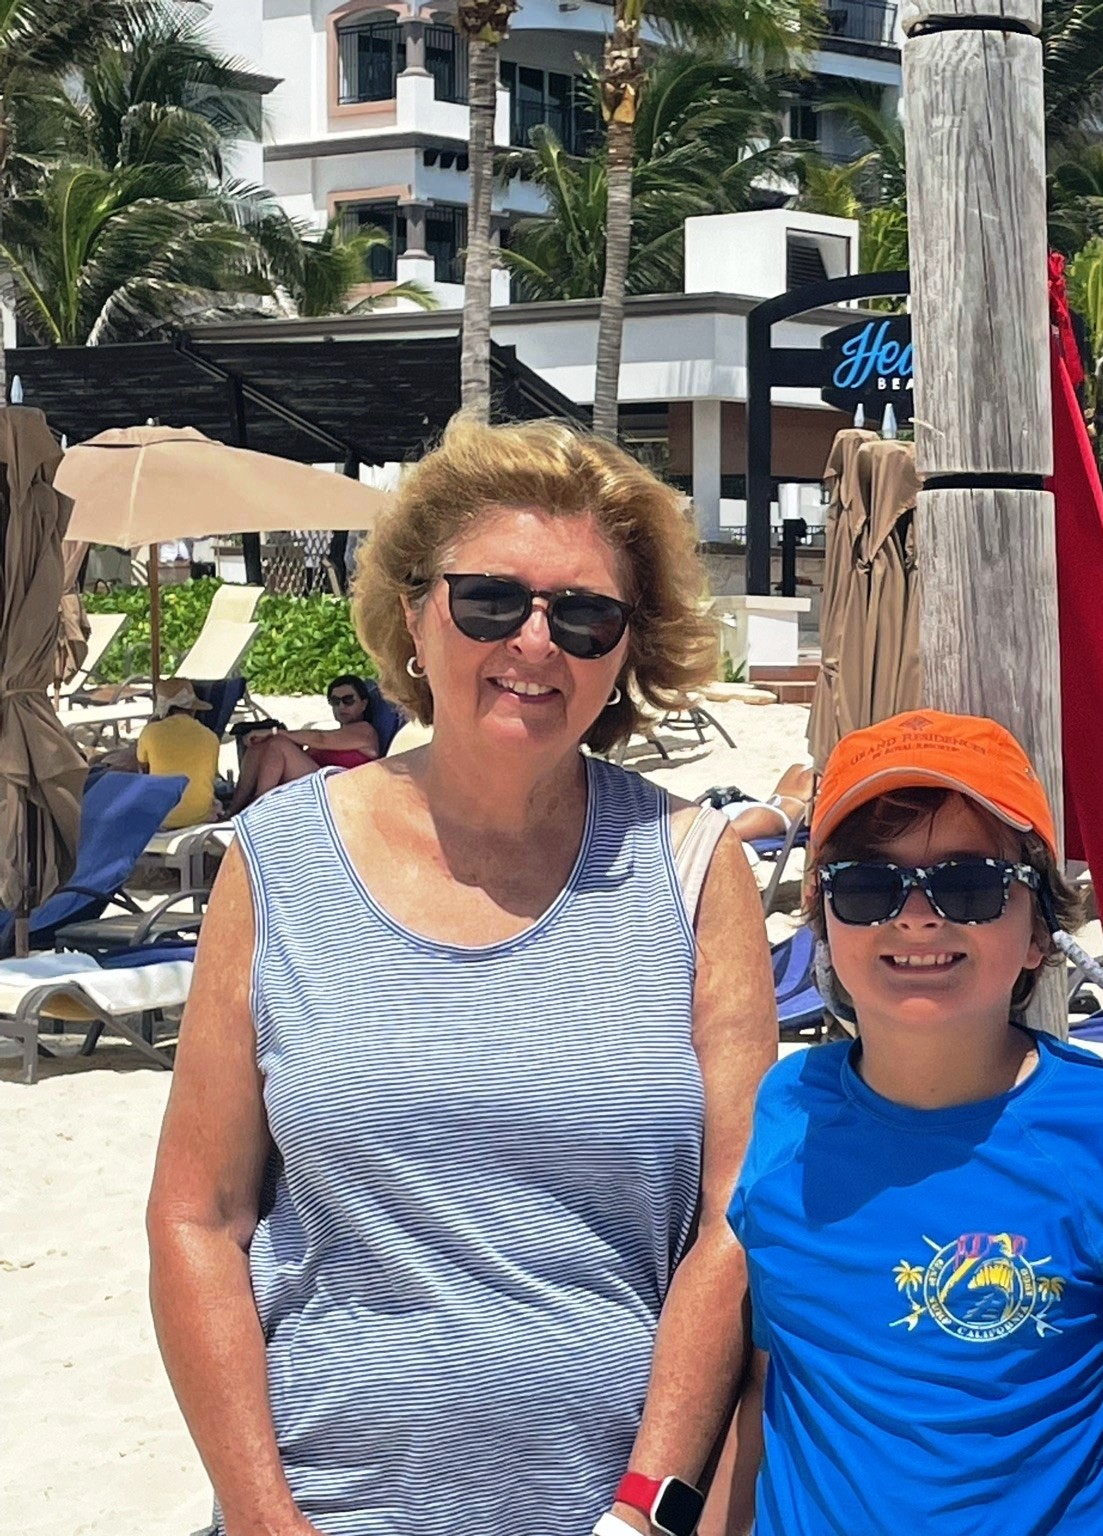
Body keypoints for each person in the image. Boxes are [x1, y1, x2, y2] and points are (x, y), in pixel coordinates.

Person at [146, 415, 777, 1536]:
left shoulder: (693, 868)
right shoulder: (279, 858)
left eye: (583, 615)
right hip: (324, 1504)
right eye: (490, 600)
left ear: (625, 649)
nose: (536, 642)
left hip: (609, 1515)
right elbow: (199, 1215)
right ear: (413, 614)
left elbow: (735, 1222)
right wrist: (262, 1517)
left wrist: (644, 1511)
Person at [727, 710, 1103, 1533]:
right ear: (824, 922)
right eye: (867, 885)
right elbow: (767, 1386)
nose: (917, 916)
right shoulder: (782, 1111)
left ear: (1040, 932)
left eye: (969, 884)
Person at [221, 674, 382, 815]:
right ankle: (234, 808)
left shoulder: (365, 731)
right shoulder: (338, 733)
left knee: (278, 743)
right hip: (317, 784)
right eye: (335, 701)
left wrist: (274, 732)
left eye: (348, 700)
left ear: (363, 704)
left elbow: (321, 739)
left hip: (338, 791)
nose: (341, 707)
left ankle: (259, 807)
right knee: (261, 744)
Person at [127, 678, 221, 830]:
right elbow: (211, 774)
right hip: (199, 816)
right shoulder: (210, 736)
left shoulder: (151, 732)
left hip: (161, 817)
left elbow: (142, 766)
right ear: (193, 709)